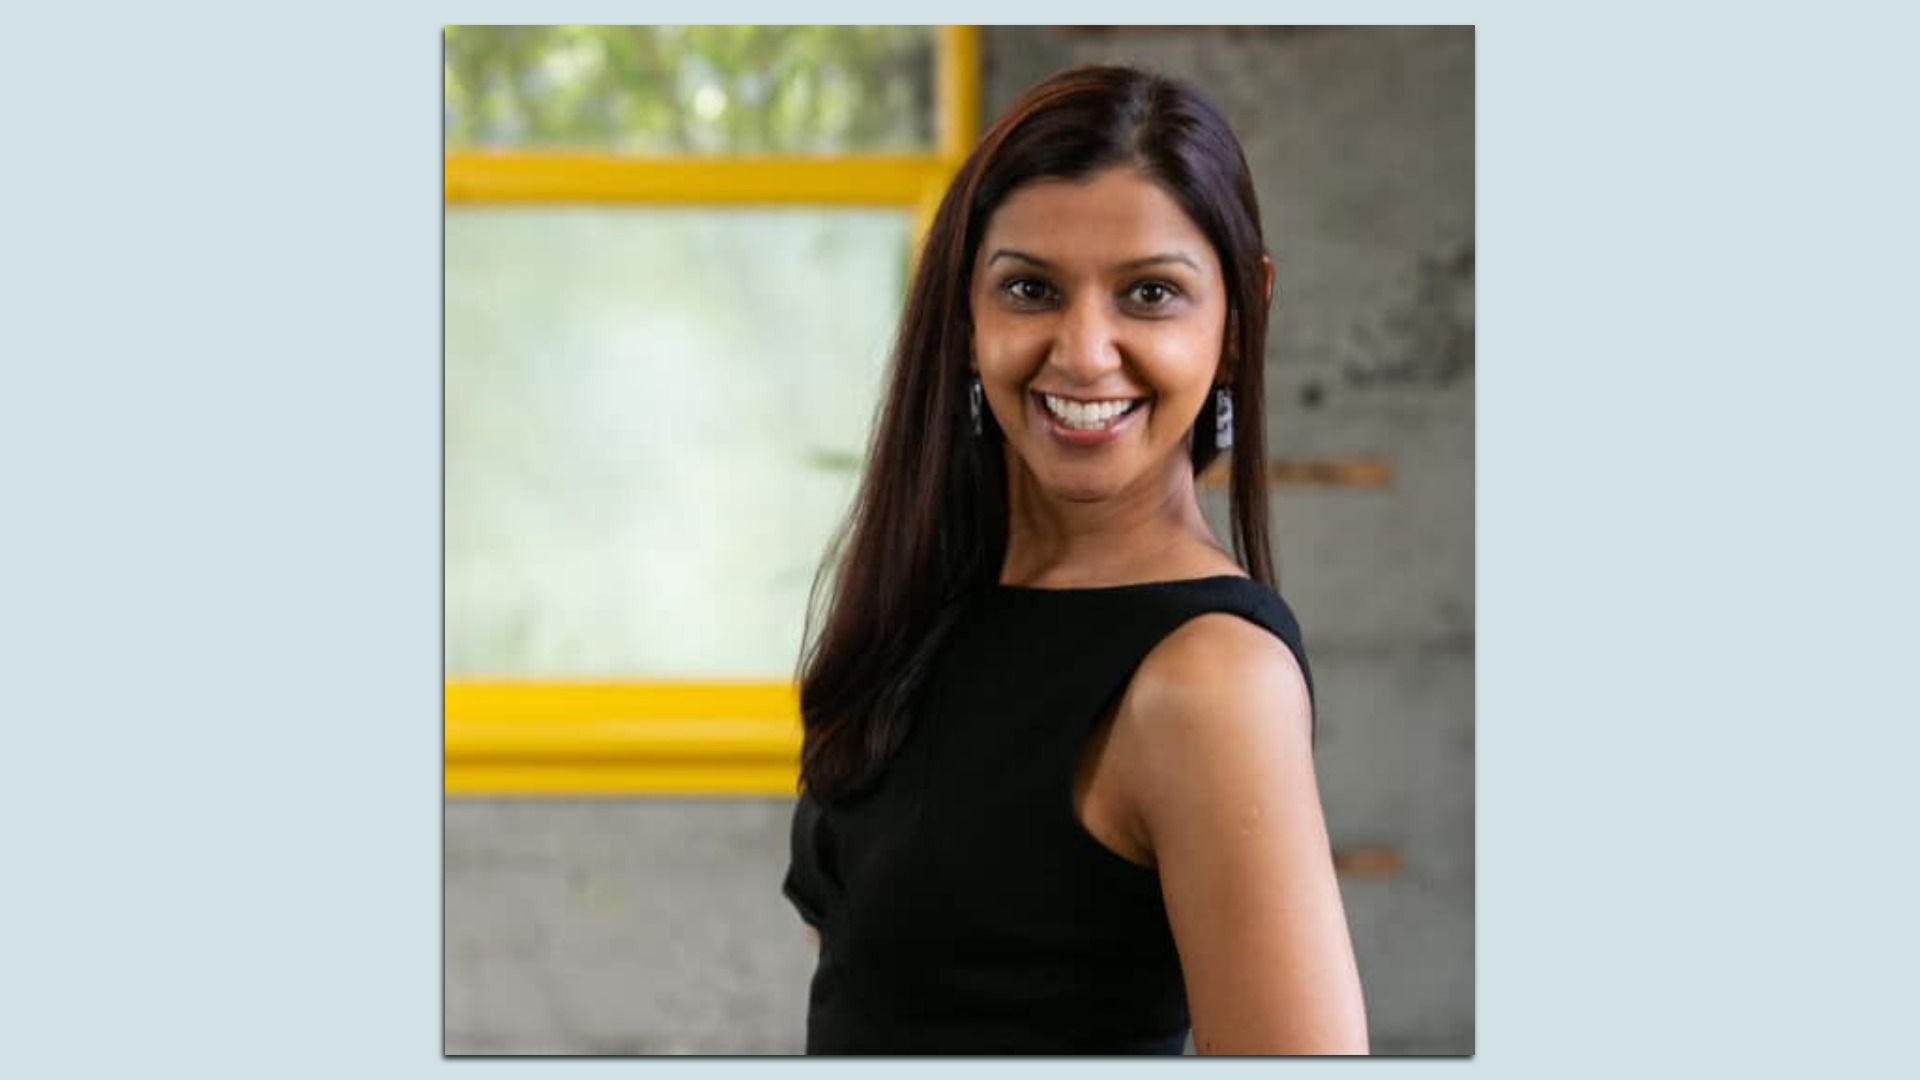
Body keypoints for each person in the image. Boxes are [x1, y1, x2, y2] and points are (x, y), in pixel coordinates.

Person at [781, 64, 1368, 1055]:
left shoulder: (1212, 680)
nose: (1086, 352)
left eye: (1151, 293)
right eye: (1031, 290)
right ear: (965, 312)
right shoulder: (933, 606)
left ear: (1240, 320)